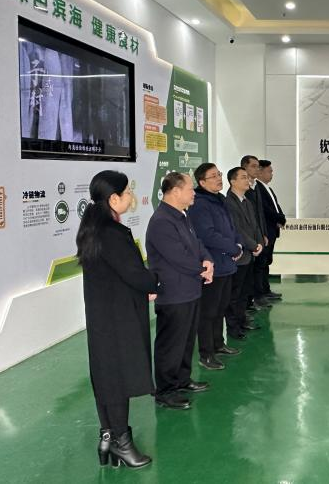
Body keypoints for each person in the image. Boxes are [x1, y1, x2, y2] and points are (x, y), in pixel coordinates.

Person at [76, 170, 157, 469]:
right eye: (127, 192)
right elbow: (134, 273)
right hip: (118, 317)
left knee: (106, 376)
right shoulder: (111, 233)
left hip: (103, 315)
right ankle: (122, 442)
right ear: (113, 199)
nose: (131, 197)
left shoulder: (93, 228)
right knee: (118, 378)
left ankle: (108, 437)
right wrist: (155, 282)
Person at [146, 172, 214, 410]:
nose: (194, 193)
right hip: (174, 293)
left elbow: (197, 244)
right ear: (175, 191)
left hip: (190, 290)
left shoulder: (182, 215)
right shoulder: (161, 221)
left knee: (186, 341)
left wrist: (207, 260)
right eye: (190, 189)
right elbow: (178, 257)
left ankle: (182, 380)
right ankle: (165, 391)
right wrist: (202, 270)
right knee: (171, 344)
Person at [188, 163, 244, 370]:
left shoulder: (220, 199)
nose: (219, 178)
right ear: (202, 182)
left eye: (219, 174)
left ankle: (218, 344)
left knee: (220, 308)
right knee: (208, 312)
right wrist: (233, 248)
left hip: (226, 263)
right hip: (212, 266)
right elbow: (207, 235)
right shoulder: (199, 204)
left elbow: (232, 228)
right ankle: (206, 354)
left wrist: (238, 245)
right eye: (213, 176)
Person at [224, 167, 264, 341]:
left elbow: (254, 226)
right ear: (233, 181)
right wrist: (253, 246)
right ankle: (233, 327)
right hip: (239, 255)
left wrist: (259, 243)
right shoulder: (228, 203)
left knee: (244, 292)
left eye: (247, 177)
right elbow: (237, 229)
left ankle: (242, 320)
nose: (247, 180)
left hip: (250, 254)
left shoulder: (246, 201)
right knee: (235, 294)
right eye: (243, 177)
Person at [241, 155, 271, 311]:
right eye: (253, 166)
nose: (257, 169)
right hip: (248, 239)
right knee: (249, 271)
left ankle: (257, 297)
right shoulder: (242, 191)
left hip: (259, 235)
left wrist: (263, 233)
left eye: (258, 166)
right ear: (244, 167)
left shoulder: (256, 187)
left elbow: (260, 214)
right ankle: (249, 301)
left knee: (259, 267)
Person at [255, 159, 285, 302]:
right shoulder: (258, 189)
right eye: (269, 171)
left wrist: (281, 217)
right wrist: (279, 218)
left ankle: (266, 290)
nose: (272, 174)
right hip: (265, 231)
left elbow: (276, 206)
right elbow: (266, 210)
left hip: (272, 231)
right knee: (261, 264)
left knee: (266, 262)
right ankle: (259, 294)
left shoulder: (268, 188)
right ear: (260, 172)